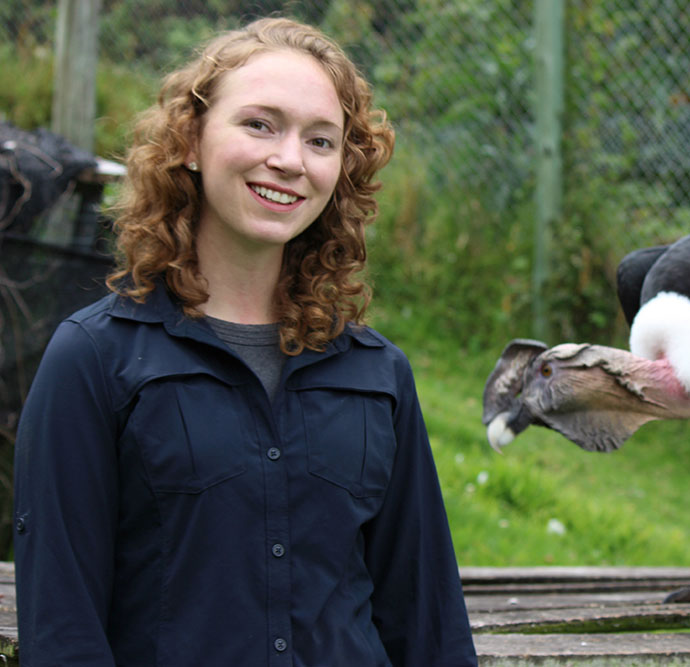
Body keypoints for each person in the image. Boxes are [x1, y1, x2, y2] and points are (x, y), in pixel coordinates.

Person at [13, 17, 477, 666]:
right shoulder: (91, 359)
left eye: (320, 140)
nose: (289, 159)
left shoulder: (380, 375)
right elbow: (63, 629)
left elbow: (429, 625)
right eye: (259, 124)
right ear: (190, 141)